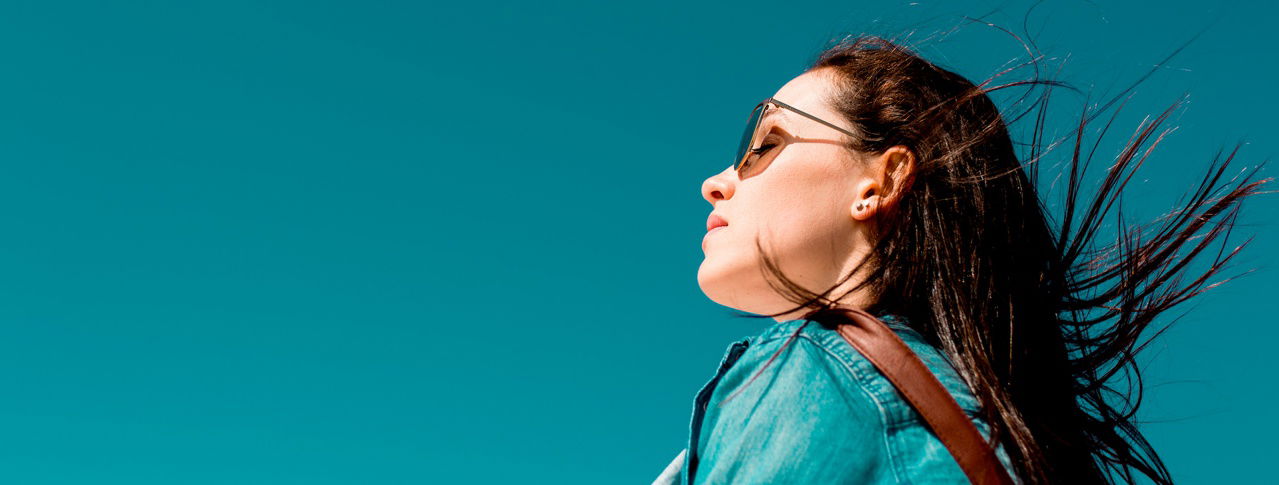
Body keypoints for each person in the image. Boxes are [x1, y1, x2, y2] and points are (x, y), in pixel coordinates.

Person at [654, 35, 1268, 484]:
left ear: (882, 181)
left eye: (763, 144)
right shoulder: (989, 426)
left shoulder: (818, 381)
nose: (718, 181)